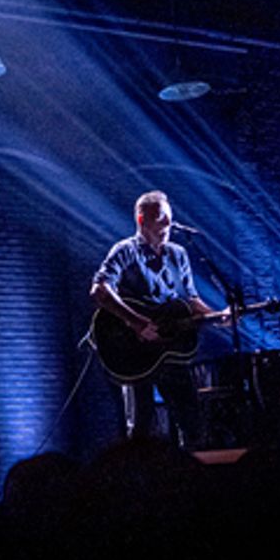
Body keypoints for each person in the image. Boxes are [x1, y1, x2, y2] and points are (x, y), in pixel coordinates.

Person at [90, 190, 229, 448]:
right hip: (134, 353)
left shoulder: (178, 254)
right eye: (162, 218)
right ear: (142, 220)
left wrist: (216, 316)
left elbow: (190, 299)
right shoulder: (124, 251)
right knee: (141, 427)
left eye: (170, 218)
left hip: (170, 351)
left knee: (192, 422)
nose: (168, 224)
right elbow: (99, 289)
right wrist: (137, 322)